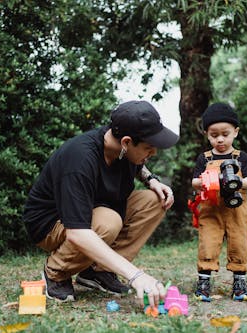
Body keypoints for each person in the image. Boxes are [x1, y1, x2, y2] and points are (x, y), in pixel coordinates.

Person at [22, 100, 179, 310]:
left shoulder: (122, 151)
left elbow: (138, 164)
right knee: (108, 221)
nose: (153, 153)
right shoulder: (80, 158)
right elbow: (77, 232)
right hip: (52, 223)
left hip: (96, 211)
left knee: (154, 201)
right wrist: (136, 276)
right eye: (148, 148)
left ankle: (98, 272)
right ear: (126, 142)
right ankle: (56, 272)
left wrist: (152, 180)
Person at [191, 102, 247, 302]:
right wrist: (207, 182)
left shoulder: (241, 157)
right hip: (211, 209)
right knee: (208, 243)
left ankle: (239, 285)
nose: (220, 139)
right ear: (206, 134)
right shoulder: (204, 158)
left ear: (235, 132)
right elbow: (194, 181)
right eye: (214, 135)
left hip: (237, 209)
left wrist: (238, 182)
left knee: (239, 243)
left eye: (225, 134)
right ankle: (203, 284)